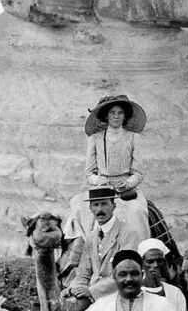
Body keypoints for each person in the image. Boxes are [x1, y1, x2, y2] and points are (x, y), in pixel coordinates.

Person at [64, 93, 149, 247]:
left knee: (137, 212)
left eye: (120, 113)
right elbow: (89, 173)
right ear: (106, 116)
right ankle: (79, 253)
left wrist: (128, 183)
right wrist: (100, 180)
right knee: (77, 205)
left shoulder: (134, 138)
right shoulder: (95, 138)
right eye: (112, 113)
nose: (116, 116)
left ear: (125, 116)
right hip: (101, 187)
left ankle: (137, 253)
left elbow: (139, 173)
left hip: (125, 189)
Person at [63, 187, 148, 311]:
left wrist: (92, 291)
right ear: (90, 208)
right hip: (93, 294)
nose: (100, 209)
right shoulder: (91, 237)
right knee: (67, 305)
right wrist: (73, 288)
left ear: (113, 206)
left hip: (118, 293)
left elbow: (126, 274)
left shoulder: (128, 234)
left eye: (104, 204)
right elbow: (83, 273)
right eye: (95, 205)